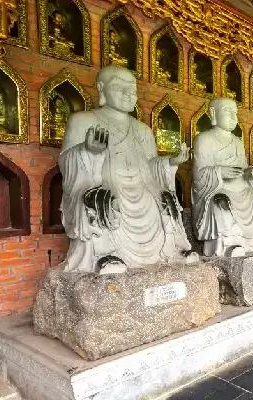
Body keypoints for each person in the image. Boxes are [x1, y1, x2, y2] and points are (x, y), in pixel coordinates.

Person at [59, 65, 195, 274]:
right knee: (100, 198)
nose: (128, 93)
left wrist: (170, 163)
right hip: (107, 185)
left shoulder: (143, 130)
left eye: (132, 88)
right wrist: (88, 151)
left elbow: (151, 166)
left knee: (166, 198)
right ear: (101, 89)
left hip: (141, 187)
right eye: (119, 87)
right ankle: (106, 255)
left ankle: (170, 250)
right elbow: (65, 163)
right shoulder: (82, 121)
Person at [191, 97, 253, 257]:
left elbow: (243, 170)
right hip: (218, 189)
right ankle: (229, 243)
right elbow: (198, 175)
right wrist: (219, 171)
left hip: (241, 188)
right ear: (213, 113)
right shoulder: (203, 139)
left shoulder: (237, 142)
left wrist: (249, 175)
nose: (233, 117)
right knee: (220, 202)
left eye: (235, 112)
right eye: (227, 111)